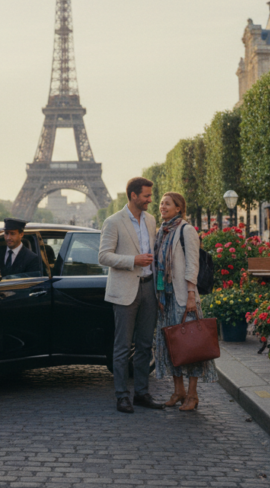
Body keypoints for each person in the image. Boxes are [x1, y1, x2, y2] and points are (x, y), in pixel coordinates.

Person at [98, 177, 163, 414]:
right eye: (146, 196)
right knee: (123, 347)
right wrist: (132, 261)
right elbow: (103, 256)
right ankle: (121, 396)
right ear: (133, 195)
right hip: (126, 289)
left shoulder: (151, 220)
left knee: (146, 345)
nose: (150, 200)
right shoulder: (113, 221)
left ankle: (142, 393)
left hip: (149, 288)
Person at [152, 192, 216, 411]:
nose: (162, 206)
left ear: (179, 208)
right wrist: (159, 293)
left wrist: (191, 294)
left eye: (167, 203)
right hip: (165, 298)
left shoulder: (186, 230)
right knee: (172, 346)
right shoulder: (161, 232)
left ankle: (193, 395)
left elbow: (192, 264)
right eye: (161, 203)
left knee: (191, 345)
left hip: (182, 296)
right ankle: (178, 391)